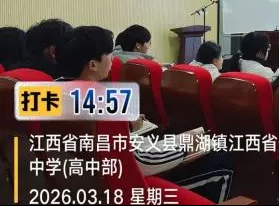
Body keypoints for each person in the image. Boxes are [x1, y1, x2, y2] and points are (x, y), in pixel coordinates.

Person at [56, 26, 235, 203]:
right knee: (219, 160)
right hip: (125, 191)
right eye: (109, 53)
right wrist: (187, 147)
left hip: (83, 184)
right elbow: (142, 162)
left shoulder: (54, 94)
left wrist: (174, 141)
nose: (113, 58)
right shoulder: (102, 103)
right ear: (93, 65)